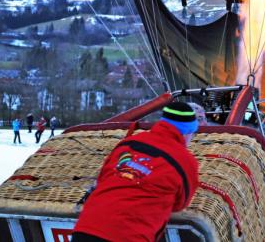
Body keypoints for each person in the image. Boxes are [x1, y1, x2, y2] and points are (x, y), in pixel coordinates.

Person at [72, 102, 200, 242]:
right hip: (129, 236)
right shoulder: (186, 161)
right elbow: (180, 204)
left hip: (85, 229)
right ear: (187, 133)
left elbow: (102, 179)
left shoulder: (128, 143)